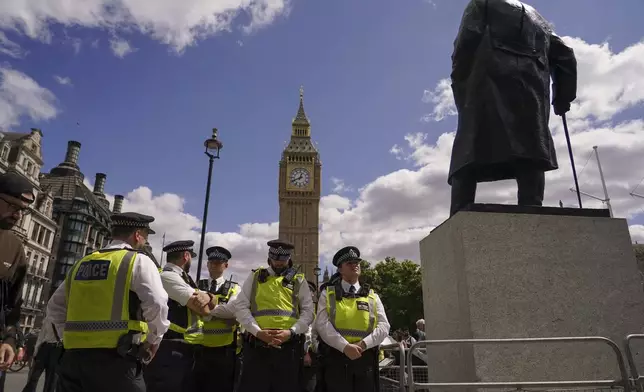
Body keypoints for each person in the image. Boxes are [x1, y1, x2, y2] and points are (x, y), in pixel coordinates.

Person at [448, 0, 577, 216]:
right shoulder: (538, 20)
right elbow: (566, 55)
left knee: (470, 146)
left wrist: (460, 82)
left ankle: (460, 212)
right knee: (532, 147)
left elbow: (465, 44)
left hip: (486, 87)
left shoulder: (482, 4)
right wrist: (563, 97)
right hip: (531, 92)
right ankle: (532, 206)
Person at [47, 212, 170, 392]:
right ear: (137, 235)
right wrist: (153, 341)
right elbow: (157, 304)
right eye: (145, 237)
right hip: (118, 360)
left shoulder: (82, 262)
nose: (144, 242)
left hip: (73, 360)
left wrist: (66, 337)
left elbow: (55, 306)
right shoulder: (137, 261)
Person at [234, 239, 315, 392]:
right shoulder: (255, 276)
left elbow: (308, 312)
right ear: (269, 258)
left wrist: (290, 332)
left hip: (288, 347)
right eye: (275, 260)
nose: (278, 263)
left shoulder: (299, 280)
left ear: (289, 259)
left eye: (283, 260)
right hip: (257, 346)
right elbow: (240, 306)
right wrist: (257, 332)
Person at [315, 246, 391, 392]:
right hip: (336, 359)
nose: (354, 265)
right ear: (340, 269)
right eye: (349, 263)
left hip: (365, 359)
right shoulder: (327, 294)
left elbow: (384, 326)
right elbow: (322, 324)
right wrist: (345, 347)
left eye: (357, 262)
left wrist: (363, 344)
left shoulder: (372, 295)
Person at [144, 240, 212, 392]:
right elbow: (203, 310)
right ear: (186, 256)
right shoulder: (167, 276)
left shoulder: (183, 278)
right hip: (169, 347)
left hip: (181, 346)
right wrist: (209, 298)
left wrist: (208, 296)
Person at [0, 172, 34, 391]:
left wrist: (10, 340)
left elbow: (13, 305)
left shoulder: (14, 248)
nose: (18, 216)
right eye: (12, 206)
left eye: (22, 210)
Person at [192, 246, 240, 392]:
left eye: (218, 263)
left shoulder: (234, 288)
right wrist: (221, 313)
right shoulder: (196, 286)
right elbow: (193, 311)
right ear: (207, 264)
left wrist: (207, 311)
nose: (214, 265)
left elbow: (233, 313)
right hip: (199, 348)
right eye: (211, 262)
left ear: (226, 266)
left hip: (224, 350)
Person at [21, 316, 64, 392]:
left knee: (51, 379)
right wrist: (36, 350)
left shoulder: (65, 318)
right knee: (34, 375)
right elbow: (41, 335)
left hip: (57, 348)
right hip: (45, 347)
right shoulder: (48, 318)